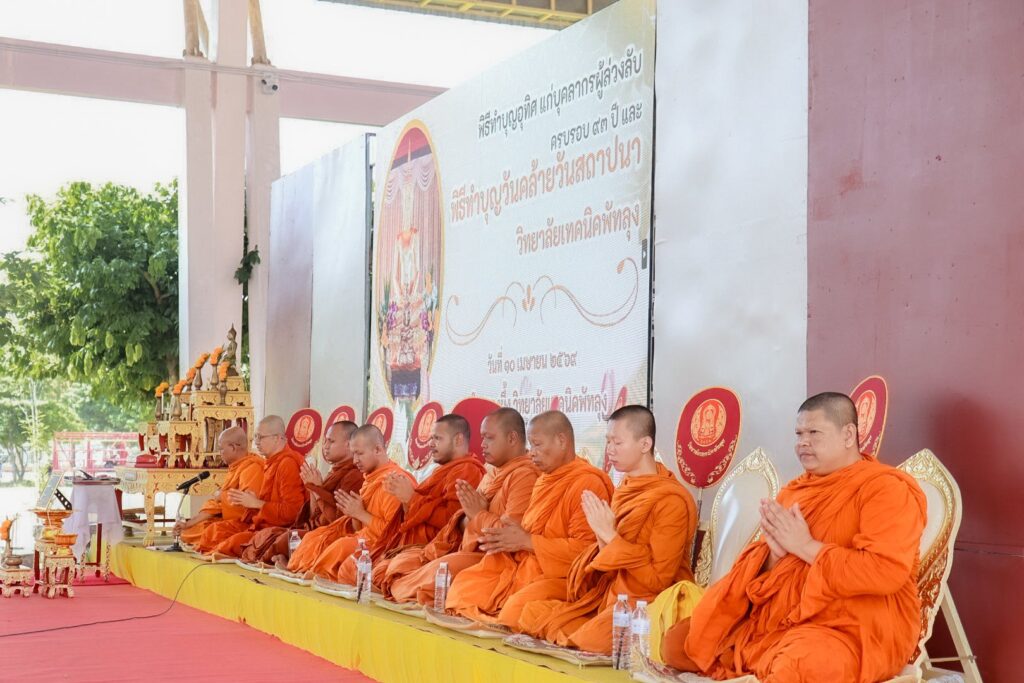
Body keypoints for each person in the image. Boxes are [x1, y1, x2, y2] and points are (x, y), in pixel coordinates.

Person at [662, 392, 926, 683]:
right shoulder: (795, 491)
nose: (803, 442)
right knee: (678, 643)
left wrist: (805, 546)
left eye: (814, 433)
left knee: (799, 666)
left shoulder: (885, 489)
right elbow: (766, 581)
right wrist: (773, 557)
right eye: (799, 434)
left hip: (853, 626)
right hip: (780, 620)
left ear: (848, 435)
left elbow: (884, 572)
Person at [516, 405, 697, 654]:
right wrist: (602, 537)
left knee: (590, 640)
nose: (609, 450)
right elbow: (610, 563)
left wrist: (610, 535)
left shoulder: (670, 501)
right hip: (612, 595)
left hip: (648, 604)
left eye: (617, 442)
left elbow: (658, 580)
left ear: (645, 444)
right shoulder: (625, 488)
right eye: (608, 441)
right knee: (531, 613)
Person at [444, 410, 614, 626]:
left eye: (537, 445)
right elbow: (525, 531)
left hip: (563, 576)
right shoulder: (544, 480)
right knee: (463, 588)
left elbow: (586, 552)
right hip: (525, 564)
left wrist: (527, 541)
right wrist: (511, 536)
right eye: (531, 446)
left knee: (514, 612)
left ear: (561, 441)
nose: (532, 453)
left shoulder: (588, 483)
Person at [381, 408, 540, 604]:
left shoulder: (524, 476)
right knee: (398, 565)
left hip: (497, 560)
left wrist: (479, 514)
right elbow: (462, 521)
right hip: (465, 548)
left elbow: (510, 538)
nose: (482, 444)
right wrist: (472, 515)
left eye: (489, 438)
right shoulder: (492, 472)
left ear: (512, 438)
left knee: (431, 576)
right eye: (482, 437)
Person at [329, 413, 486, 585]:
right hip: (411, 544)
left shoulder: (467, 471)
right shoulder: (440, 472)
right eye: (431, 438)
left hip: (434, 548)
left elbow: (453, 522)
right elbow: (409, 518)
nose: (430, 444)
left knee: (373, 571)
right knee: (355, 566)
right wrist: (406, 502)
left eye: (437, 438)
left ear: (458, 440)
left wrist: (411, 498)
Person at [283, 424, 411, 577]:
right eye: (353, 453)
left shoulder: (393, 482)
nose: (355, 460)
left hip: (382, 546)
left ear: (377, 449)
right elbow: (359, 528)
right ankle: (306, 570)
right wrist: (354, 514)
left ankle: (317, 574)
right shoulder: (371, 479)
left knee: (341, 547)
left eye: (359, 453)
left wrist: (360, 513)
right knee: (315, 537)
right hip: (365, 538)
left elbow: (393, 534)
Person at [237, 420, 363, 565]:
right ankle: (281, 559)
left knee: (284, 538)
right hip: (313, 531)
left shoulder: (354, 476)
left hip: (331, 536)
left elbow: (338, 521)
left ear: (348, 444)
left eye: (331, 441)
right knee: (270, 535)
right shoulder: (334, 472)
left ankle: (273, 561)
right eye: (325, 441)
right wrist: (313, 488)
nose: (325, 446)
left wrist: (317, 489)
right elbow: (314, 515)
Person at [193, 415, 306, 557]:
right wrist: (251, 503)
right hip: (262, 525)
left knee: (231, 543)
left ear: (277, 438)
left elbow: (293, 512)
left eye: (260, 437)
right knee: (214, 532)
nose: (256, 442)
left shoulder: (287, 464)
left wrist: (257, 503)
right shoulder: (271, 463)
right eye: (256, 437)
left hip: (280, 530)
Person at [177, 426, 262, 547]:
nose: (219, 453)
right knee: (188, 531)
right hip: (229, 520)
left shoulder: (251, 468)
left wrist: (221, 496)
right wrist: (188, 524)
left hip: (246, 525)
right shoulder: (236, 468)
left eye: (221, 449)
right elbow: (217, 504)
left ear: (233, 447)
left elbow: (247, 509)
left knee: (212, 532)